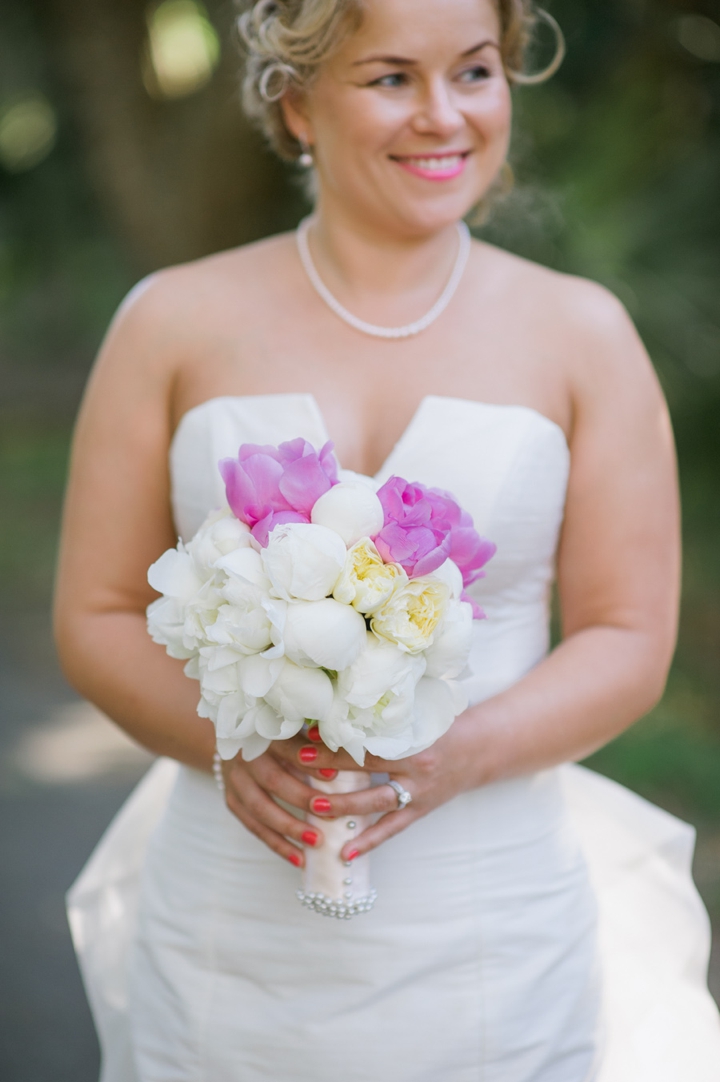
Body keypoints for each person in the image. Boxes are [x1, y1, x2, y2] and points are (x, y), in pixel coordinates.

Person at [55, 1, 720, 1079]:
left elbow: (627, 634)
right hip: (232, 926)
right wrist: (232, 740)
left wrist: (454, 756)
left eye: (475, 71)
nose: (445, 115)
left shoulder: (583, 333)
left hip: (490, 916)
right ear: (298, 101)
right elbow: (93, 614)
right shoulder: (168, 321)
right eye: (391, 79)